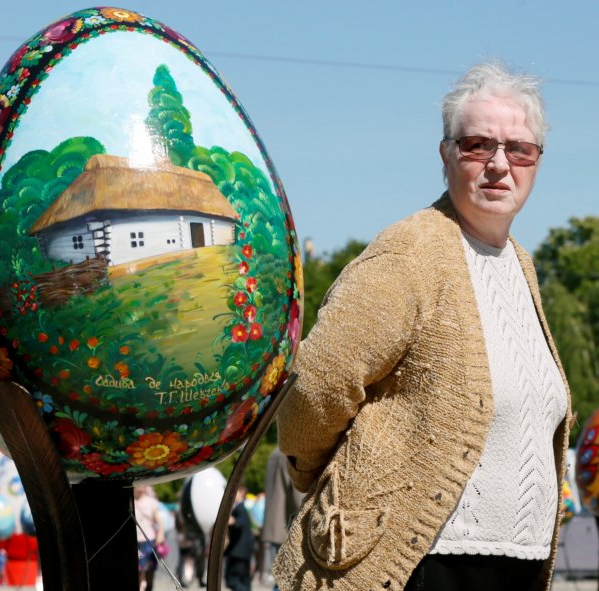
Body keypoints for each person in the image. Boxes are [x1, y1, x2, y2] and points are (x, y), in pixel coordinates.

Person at [272, 61, 572, 591]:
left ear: (537, 161)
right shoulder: (409, 253)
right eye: (478, 145)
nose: (500, 164)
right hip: (419, 564)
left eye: (518, 149)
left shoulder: (520, 265)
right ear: (446, 155)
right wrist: (319, 475)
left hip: (515, 567)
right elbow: (318, 380)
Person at [261, 447, 304, 589]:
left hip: (273, 526)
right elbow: (299, 495)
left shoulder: (274, 453)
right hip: (289, 527)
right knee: (289, 581)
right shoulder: (292, 452)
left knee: (280, 579)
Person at [134, 485, 165, 591]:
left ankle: (148, 586)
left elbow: (159, 521)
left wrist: (160, 534)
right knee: (139, 568)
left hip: (148, 540)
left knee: (149, 569)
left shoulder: (151, 502)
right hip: (135, 541)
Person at [224, 486, 254, 591]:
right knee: (243, 581)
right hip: (241, 552)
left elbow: (239, 523)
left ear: (241, 493)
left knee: (234, 581)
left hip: (238, 552)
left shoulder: (240, 508)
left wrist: (230, 520)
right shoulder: (240, 507)